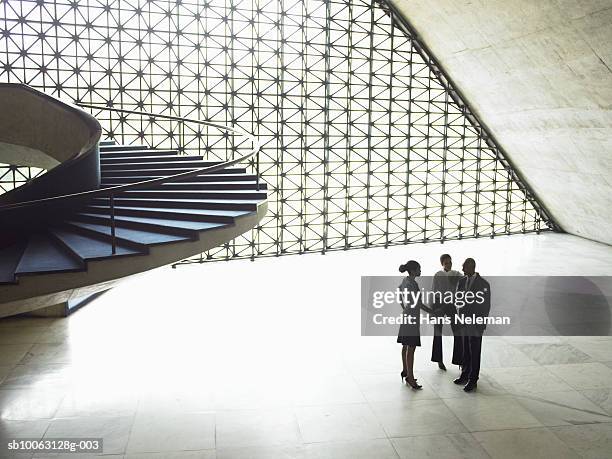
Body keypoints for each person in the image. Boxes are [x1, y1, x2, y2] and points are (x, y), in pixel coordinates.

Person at [453, 258, 491, 392]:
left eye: (464, 267)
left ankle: (473, 380)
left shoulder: (483, 284)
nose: (462, 270)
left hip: (475, 324)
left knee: (475, 351)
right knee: (465, 350)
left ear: (472, 267)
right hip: (464, 322)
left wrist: (481, 325)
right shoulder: (462, 281)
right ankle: (464, 374)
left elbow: (486, 306)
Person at [397, 260, 432, 390]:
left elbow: (399, 293)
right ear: (413, 271)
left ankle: (405, 371)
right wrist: (431, 311)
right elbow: (419, 304)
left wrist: (404, 307)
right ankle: (410, 377)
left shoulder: (405, 281)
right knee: (411, 348)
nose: (420, 270)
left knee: (405, 345)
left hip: (406, 315)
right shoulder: (412, 283)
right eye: (419, 268)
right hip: (412, 318)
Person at [430, 254, 462, 371]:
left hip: (450, 304)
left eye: (450, 262)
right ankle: (439, 359)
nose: (449, 264)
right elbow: (433, 291)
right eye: (446, 262)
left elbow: (466, 278)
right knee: (437, 332)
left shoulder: (456, 273)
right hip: (439, 304)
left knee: (458, 331)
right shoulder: (438, 275)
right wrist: (432, 310)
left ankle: (460, 360)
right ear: (442, 263)